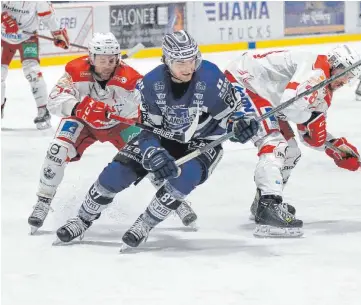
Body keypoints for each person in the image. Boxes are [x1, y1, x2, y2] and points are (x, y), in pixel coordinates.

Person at [54, 30, 259, 248]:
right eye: (180, 62)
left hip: (204, 139)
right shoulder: (150, 84)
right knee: (116, 173)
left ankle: (144, 224)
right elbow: (146, 130)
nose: (189, 68)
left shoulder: (210, 76)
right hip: (162, 136)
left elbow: (232, 114)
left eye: (192, 60)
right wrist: (153, 152)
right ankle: (82, 219)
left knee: (185, 176)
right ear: (167, 61)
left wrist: (240, 125)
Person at [28, 32, 196, 234]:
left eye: (112, 59)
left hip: (119, 126)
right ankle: (43, 201)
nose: (108, 65)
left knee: (151, 156)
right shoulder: (74, 71)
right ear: (91, 58)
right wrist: (80, 108)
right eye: (102, 60)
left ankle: (174, 201)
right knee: (57, 150)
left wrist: (123, 110)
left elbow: (146, 106)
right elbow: (54, 100)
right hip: (83, 123)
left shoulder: (131, 78)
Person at [224, 45, 361, 237]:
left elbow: (309, 134)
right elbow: (291, 107)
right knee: (274, 144)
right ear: (334, 64)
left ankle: (263, 201)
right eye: (345, 73)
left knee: (291, 151)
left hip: (267, 96)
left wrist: (335, 147)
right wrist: (313, 119)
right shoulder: (317, 69)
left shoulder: (325, 88)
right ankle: (268, 206)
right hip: (244, 80)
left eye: (350, 77)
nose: (346, 80)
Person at [1, 1, 70, 129]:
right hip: (3, 37)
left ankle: (43, 110)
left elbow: (48, 17)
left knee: (33, 73)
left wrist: (57, 34)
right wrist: (3, 17)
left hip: (28, 38)